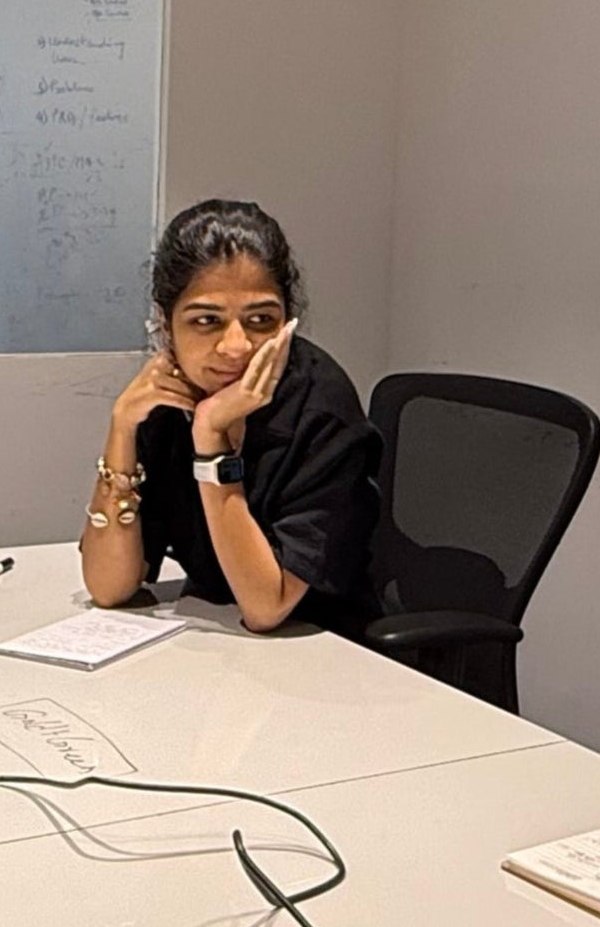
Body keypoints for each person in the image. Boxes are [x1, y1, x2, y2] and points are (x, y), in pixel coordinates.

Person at [80, 200, 379, 632]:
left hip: (326, 649)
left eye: (261, 319)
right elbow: (109, 587)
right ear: (166, 327)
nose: (236, 346)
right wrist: (123, 427)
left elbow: (266, 607)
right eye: (207, 320)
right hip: (218, 641)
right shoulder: (167, 402)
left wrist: (211, 437)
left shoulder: (322, 409)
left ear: (287, 323)